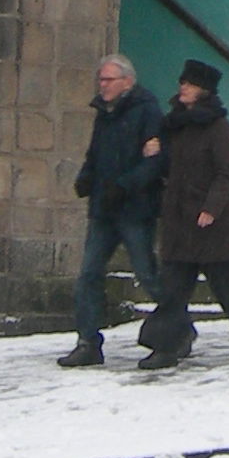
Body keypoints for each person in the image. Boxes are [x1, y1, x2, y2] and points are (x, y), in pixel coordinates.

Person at [137, 59, 229, 369]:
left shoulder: (219, 128)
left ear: (204, 91)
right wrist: (154, 153)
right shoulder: (174, 125)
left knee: (227, 286)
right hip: (178, 219)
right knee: (173, 288)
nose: (182, 87)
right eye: (182, 82)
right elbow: (169, 167)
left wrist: (211, 208)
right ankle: (167, 347)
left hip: (208, 224)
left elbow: (225, 173)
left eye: (190, 83)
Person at [58, 53, 165, 368]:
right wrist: (86, 177)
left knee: (147, 274)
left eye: (108, 80)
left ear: (127, 82)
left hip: (134, 209)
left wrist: (126, 185)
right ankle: (88, 341)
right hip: (104, 208)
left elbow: (155, 160)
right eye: (101, 80)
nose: (102, 85)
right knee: (89, 275)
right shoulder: (103, 113)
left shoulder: (147, 110)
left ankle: (175, 331)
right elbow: (95, 151)